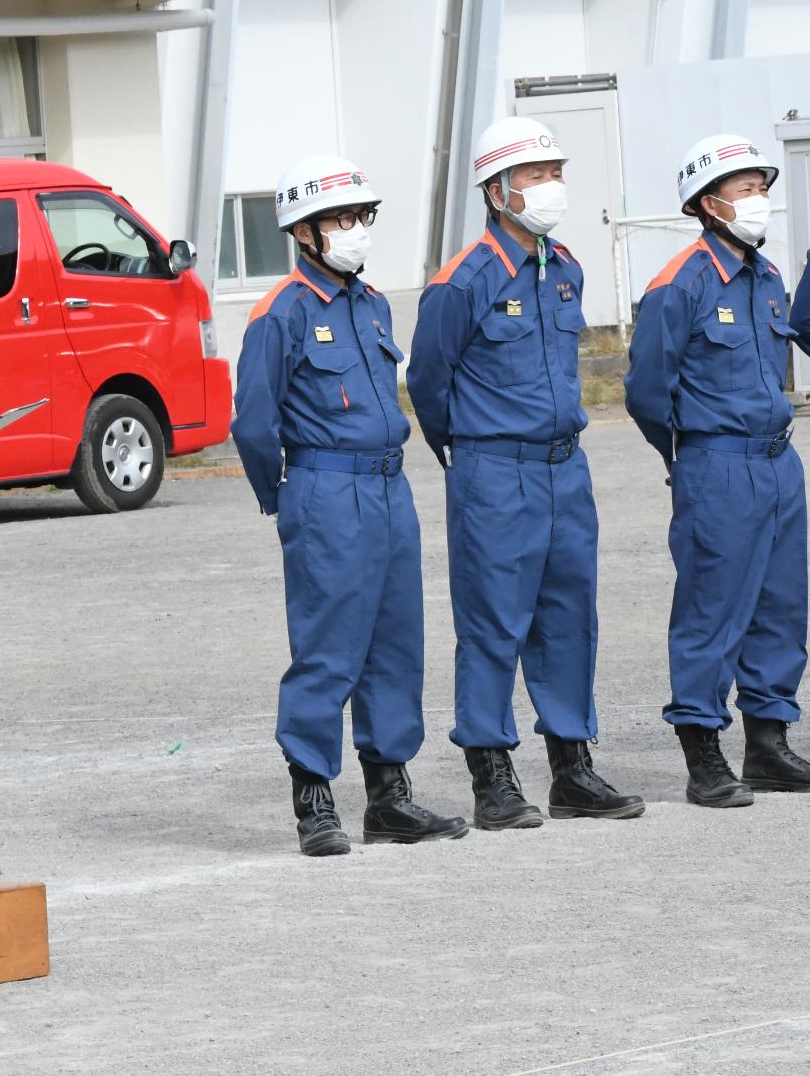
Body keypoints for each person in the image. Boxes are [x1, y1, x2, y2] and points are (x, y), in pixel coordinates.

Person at [408, 117, 643, 829]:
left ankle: (572, 768)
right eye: (537, 175)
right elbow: (428, 382)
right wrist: (471, 454)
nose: (551, 187)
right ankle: (492, 775)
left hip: (563, 471)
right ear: (498, 189)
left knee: (571, 618)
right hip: (494, 471)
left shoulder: (564, 265)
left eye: (555, 173)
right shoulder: (463, 280)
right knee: (492, 623)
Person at [232, 155, 468, 856]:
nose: (355, 230)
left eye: (360, 217)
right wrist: (282, 496)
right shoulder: (283, 312)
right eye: (340, 219)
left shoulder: (372, 304)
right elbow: (252, 425)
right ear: (303, 231)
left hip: (389, 486)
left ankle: (390, 794)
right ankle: (313, 799)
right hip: (326, 488)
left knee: (396, 642)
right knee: (328, 646)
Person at [627, 134, 810, 807]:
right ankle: (704, 751)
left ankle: (767, 742)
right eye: (745, 189)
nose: (759, 198)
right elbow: (647, 391)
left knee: (783, 605)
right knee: (712, 608)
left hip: (777, 460)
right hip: (718, 462)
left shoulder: (765, 278)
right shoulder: (680, 283)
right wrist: (689, 456)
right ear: (709, 203)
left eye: (762, 186)